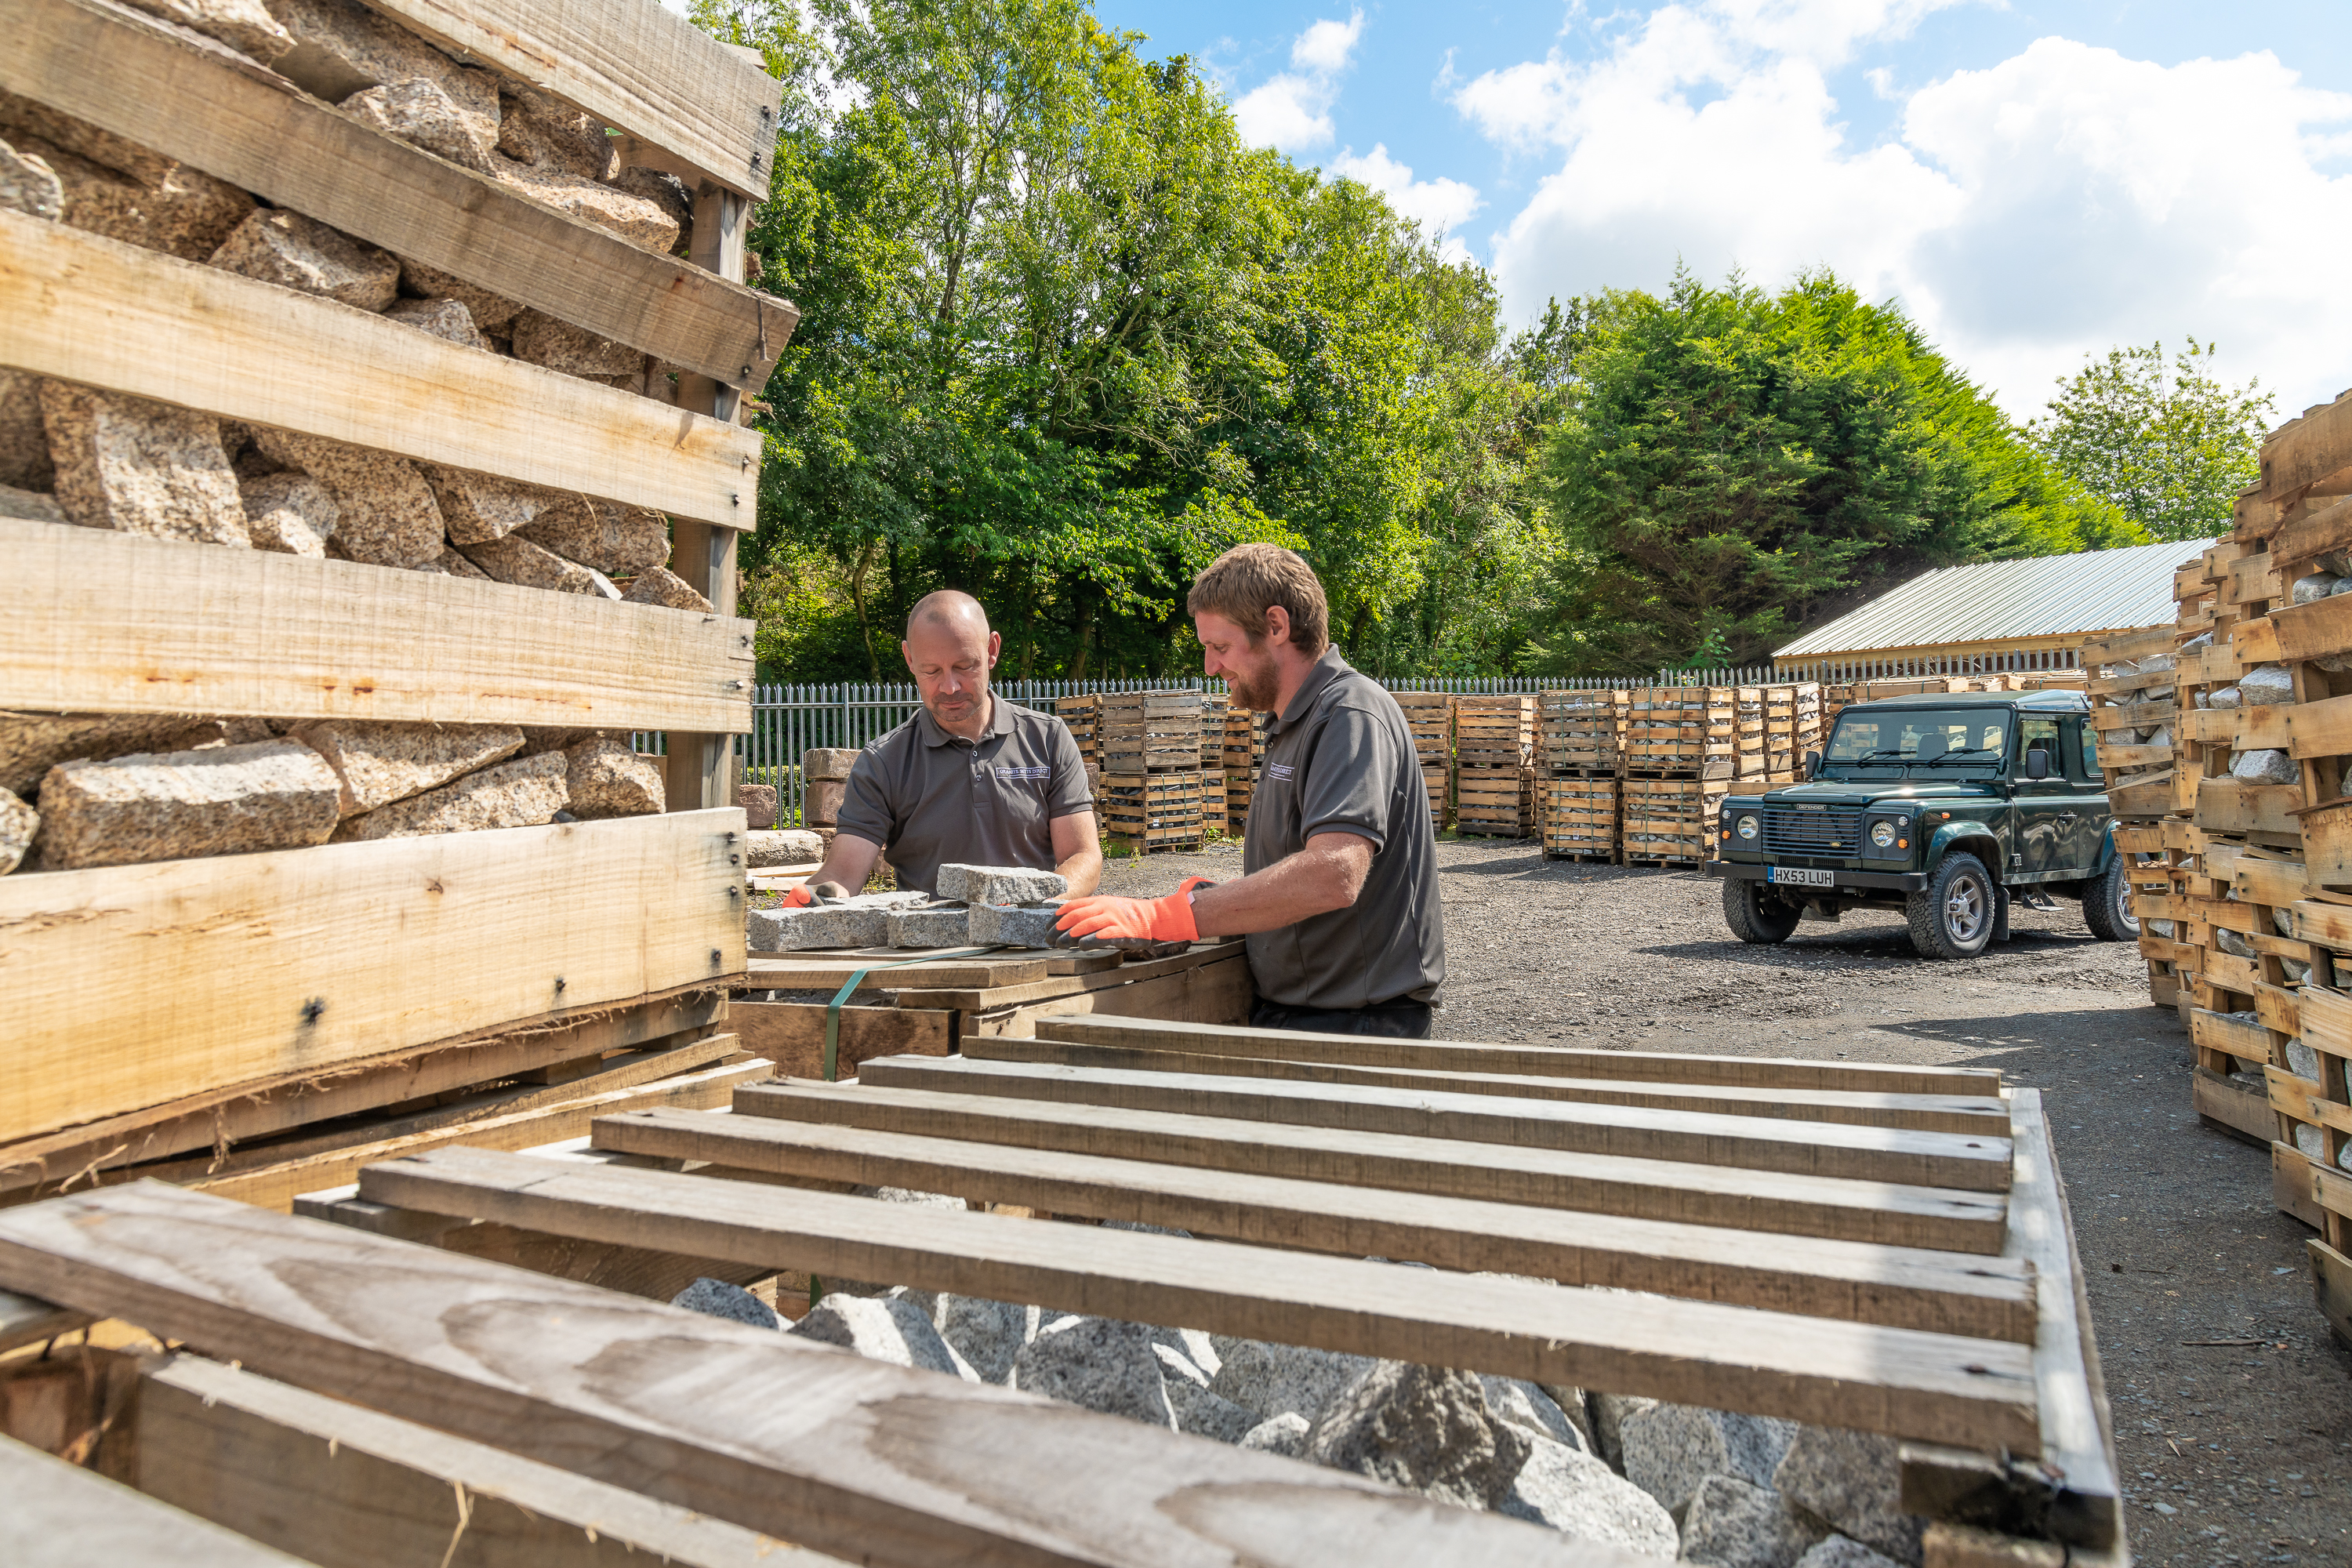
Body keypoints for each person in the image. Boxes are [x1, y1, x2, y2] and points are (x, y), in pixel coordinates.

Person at [1053, 544, 1444, 1036]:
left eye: (1219, 647)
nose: (1210, 667)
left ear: (1277, 627)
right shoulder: (1294, 721)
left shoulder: (1348, 714)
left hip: (1358, 1025)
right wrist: (1223, 900)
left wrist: (1166, 916)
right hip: (1309, 1013)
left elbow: (1334, 872)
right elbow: (1303, 867)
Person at [785, 591, 1102, 902]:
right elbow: (842, 874)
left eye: (964, 666)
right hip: (928, 950)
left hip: (1029, 940)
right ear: (910, 659)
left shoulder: (1048, 739)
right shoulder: (884, 761)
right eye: (931, 671)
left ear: (992, 650)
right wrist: (815, 898)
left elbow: (1082, 856)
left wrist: (1030, 907)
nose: (949, 687)